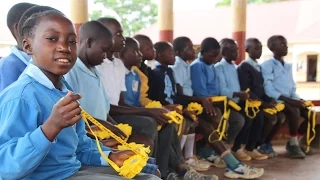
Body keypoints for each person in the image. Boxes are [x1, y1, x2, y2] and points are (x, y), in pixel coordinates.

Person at [0, 8, 159, 180]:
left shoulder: (63, 89)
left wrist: (109, 156)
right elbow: (6, 167)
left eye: (71, 41)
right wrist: (50, 127)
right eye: (52, 39)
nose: (64, 47)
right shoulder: (21, 96)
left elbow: (79, 146)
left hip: (72, 170)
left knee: (150, 175)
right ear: (28, 46)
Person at [122, 38, 217, 179]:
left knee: (168, 122)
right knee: (152, 123)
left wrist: (161, 108)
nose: (141, 54)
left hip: (139, 110)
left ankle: (170, 170)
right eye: (140, 50)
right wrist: (153, 109)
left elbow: (143, 100)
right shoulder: (126, 72)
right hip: (128, 114)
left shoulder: (138, 73)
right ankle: (173, 170)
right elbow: (126, 103)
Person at [173, 37, 264, 179]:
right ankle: (231, 164)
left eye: (217, 55)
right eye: (212, 55)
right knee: (214, 121)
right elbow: (189, 93)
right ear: (202, 53)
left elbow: (215, 90)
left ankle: (208, 154)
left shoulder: (195, 65)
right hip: (192, 104)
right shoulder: (192, 66)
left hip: (201, 102)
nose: (215, 59)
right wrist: (206, 101)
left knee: (231, 120)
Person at [96, 17, 174, 177]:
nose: (123, 38)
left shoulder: (117, 64)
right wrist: (147, 112)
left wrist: (150, 111)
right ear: (103, 35)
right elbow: (107, 106)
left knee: (166, 122)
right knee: (148, 123)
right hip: (105, 117)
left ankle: (164, 171)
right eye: (118, 34)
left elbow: (121, 103)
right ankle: (146, 172)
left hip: (114, 115)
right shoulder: (97, 64)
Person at [261, 35, 317, 158]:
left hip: (288, 99)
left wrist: (299, 99)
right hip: (276, 100)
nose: (286, 47)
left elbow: (292, 88)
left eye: (286, 44)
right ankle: (293, 145)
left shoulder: (288, 66)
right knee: (294, 111)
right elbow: (268, 89)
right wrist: (290, 101)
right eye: (282, 44)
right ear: (272, 47)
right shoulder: (267, 65)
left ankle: (296, 141)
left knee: (310, 114)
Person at [215, 38, 268, 161]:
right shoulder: (219, 67)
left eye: (237, 50)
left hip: (238, 102)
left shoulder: (234, 67)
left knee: (258, 115)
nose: (237, 53)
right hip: (228, 103)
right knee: (245, 119)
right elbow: (222, 90)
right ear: (224, 52)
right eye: (233, 51)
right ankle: (234, 148)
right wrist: (238, 94)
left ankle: (249, 148)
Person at [237, 38, 285, 158]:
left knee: (280, 117)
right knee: (265, 117)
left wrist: (269, 100)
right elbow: (247, 89)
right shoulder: (245, 66)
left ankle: (260, 145)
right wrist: (264, 104)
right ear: (247, 50)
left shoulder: (257, 66)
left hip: (260, 101)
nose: (259, 51)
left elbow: (260, 89)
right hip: (250, 103)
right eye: (256, 48)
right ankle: (250, 147)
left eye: (260, 48)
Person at [0, 3, 35, 91]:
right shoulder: (9, 65)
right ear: (18, 28)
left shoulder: (36, 59)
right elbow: (10, 101)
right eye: (35, 24)